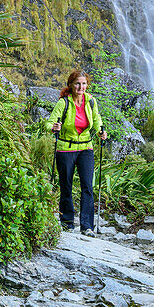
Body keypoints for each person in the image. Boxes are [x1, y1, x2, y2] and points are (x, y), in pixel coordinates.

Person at [47, 70, 107, 236]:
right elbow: (50, 122)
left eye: (84, 83)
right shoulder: (63, 103)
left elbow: (97, 120)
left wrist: (101, 131)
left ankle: (87, 226)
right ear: (71, 85)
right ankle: (67, 223)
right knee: (66, 185)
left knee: (87, 186)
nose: (81, 87)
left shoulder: (91, 101)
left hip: (86, 148)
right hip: (66, 148)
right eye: (77, 84)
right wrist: (54, 127)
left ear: (87, 85)